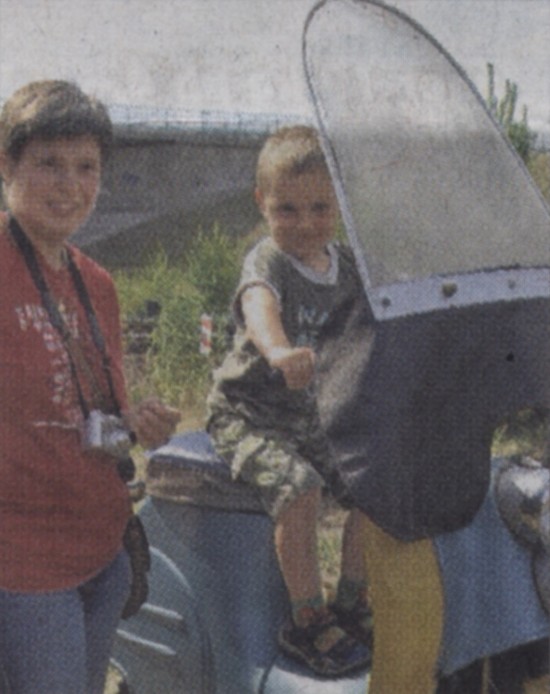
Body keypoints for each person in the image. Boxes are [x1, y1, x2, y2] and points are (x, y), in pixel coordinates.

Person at [0, 80, 180, 694]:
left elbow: (101, 411)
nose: (70, 185)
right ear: (6, 165)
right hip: (23, 565)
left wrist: (140, 420)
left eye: (86, 167)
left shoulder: (96, 283)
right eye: (49, 163)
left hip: (103, 551)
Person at [206, 125, 372, 678]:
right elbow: (260, 307)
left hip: (311, 416)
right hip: (248, 414)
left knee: (375, 484)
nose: (304, 223)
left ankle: (352, 601)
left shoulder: (348, 267)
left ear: (339, 203)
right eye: (287, 209)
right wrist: (277, 349)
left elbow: (377, 321)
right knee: (300, 487)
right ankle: (307, 619)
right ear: (262, 203)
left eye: (319, 208)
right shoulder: (269, 261)